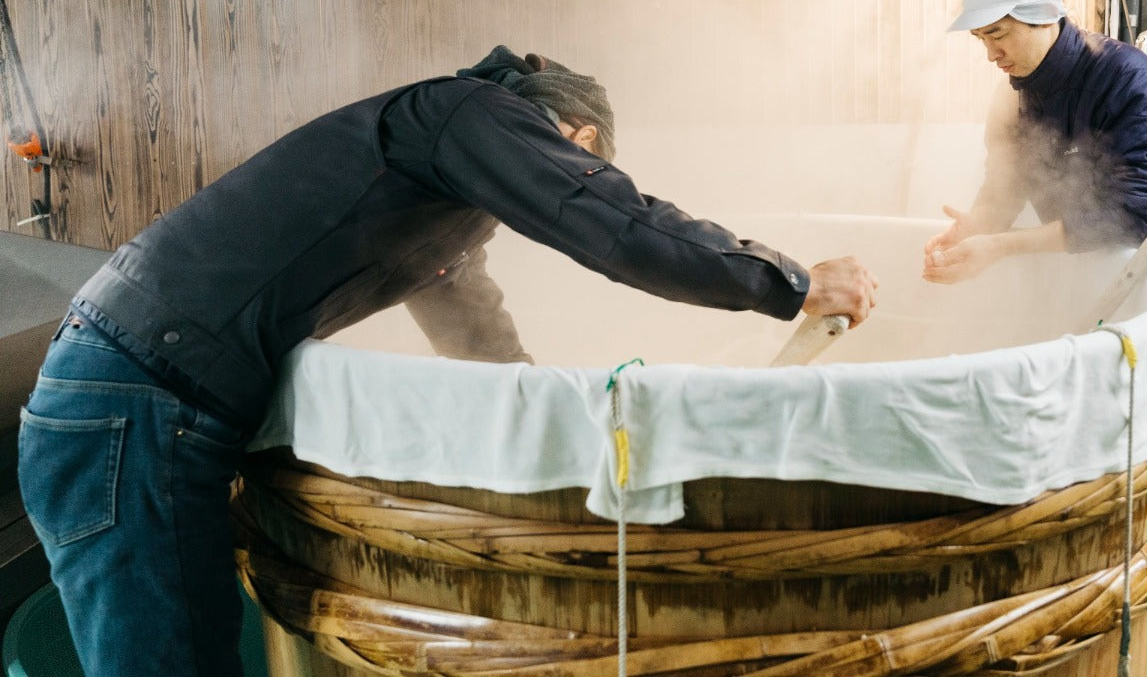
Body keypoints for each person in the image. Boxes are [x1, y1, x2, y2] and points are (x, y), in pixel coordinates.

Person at [17, 46, 877, 677]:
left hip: (149, 403)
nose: (572, 177)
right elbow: (616, 227)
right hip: (132, 401)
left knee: (193, 658)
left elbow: (479, 337)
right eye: (581, 163)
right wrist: (789, 283)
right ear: (573, 136)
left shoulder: (433, 185)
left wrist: (559, 430)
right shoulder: (466, 113)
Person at [921, 0, 1147, 677]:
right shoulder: (1018, 93)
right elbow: (1004, 185)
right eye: (980, 39)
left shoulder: (1123, 78)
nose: (990, 53)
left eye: (999, 34)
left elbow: (1137, 210)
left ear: (1043, 17)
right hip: (1078, 301)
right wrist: (967, 237)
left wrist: (1004, 247)